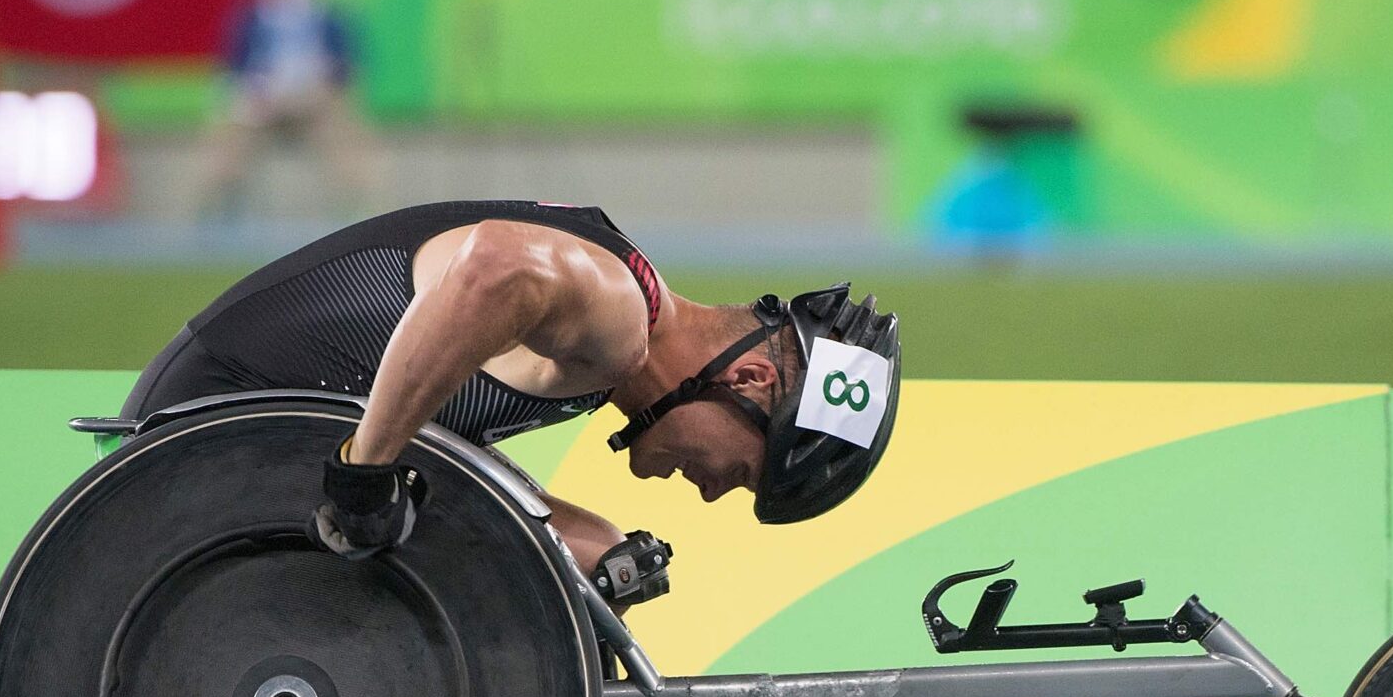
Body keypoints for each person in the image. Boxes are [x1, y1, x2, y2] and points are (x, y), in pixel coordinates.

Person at [118, 200, 901, 575]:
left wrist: (580, 547)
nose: (707, 491)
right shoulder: (621, 315)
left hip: (232, 450)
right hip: (194, 443)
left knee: (591, 567)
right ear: (752, 379)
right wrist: (364, 471)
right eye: (740, 473)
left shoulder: (605, 355)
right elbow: (501, 267)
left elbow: (435, 450)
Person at [191, 0, 378, 220]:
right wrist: (251, 91)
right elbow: (233, 65)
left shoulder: (325, 9)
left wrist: (327, 83)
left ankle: (364, 220)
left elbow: (346, 63)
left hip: (314, 98)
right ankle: (214, 219)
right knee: (227, 138)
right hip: (263, 98)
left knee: (348, 143)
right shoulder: (250, 13)